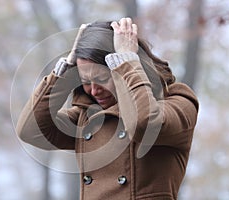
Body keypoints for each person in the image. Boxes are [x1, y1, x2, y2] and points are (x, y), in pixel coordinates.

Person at [16, 17, 199, 200]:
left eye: (102, 79)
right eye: (86, 81)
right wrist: (66, 70)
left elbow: (144, 124)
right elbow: (30, 130)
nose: (94, 91)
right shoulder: (89, 117)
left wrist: (127, 62)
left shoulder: (178, 101)